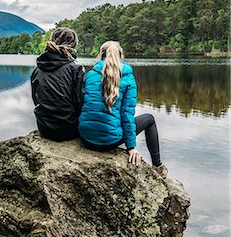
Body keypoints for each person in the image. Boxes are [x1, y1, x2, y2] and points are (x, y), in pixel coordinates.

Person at [78, 41, 168, 177]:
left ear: (100, 56)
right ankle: (158, 166)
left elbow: (85, 105)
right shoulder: (128, 78)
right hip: (109, 143)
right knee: (149, 119)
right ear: (121, 56)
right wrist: (131, 147)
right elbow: (127, 115)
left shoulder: (90, 75)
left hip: (85, 137)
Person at [31, 27, 85, 142]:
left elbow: (36, 100)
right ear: (74, 45)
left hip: (44, 128)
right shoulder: (75, 68)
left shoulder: (37, 69)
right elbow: (81, 103)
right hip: (69, 129)